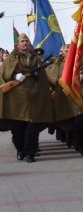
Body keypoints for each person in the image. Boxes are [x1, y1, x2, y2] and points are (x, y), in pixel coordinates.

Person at [1, 33, 52, 162]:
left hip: (34, 97)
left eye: (26, 41)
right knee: (17, 130)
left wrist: (37, 74)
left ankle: (31, 153)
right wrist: (15, 76)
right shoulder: (12, 58)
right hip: (17, 99)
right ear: (17, 44)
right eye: (22, 41)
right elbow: (5, 74)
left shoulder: (36, 58)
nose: (25, 43)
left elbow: (44, 78)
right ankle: (20, 149)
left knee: (32, 128)